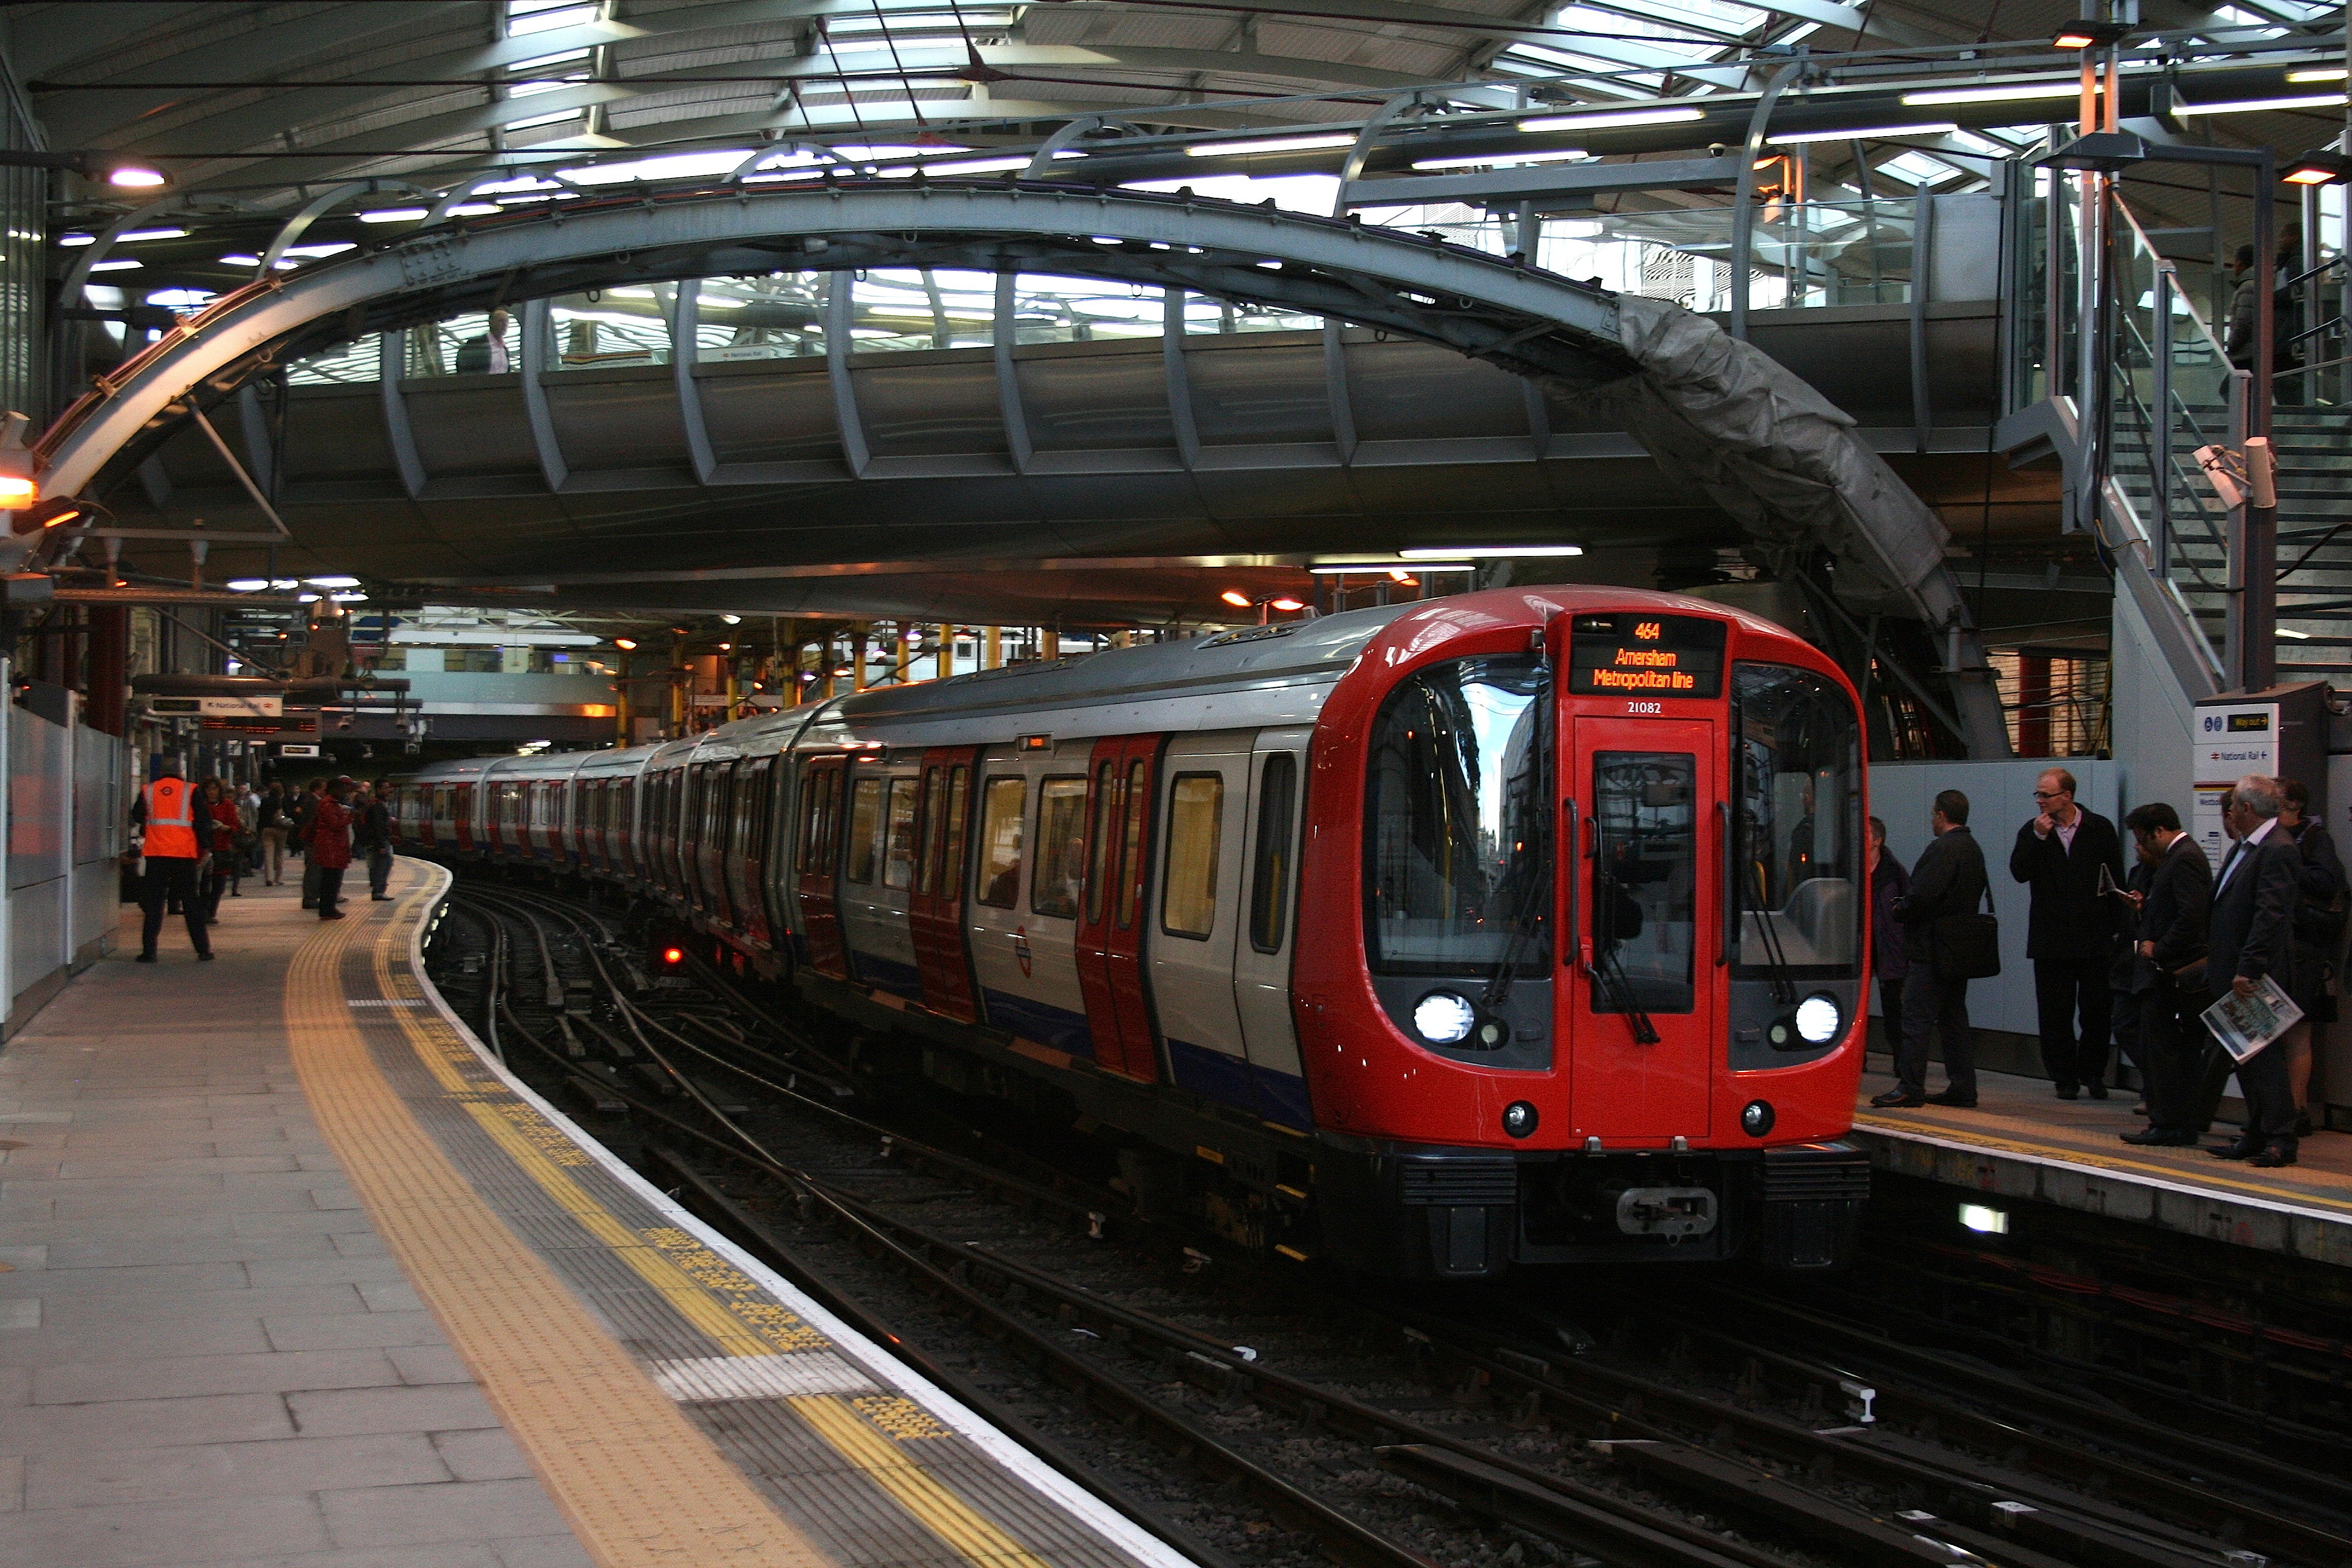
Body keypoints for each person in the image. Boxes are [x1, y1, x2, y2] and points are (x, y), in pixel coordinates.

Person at [2009, 767, 2127, 1099]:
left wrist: (2117, 930)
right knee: (2054, 1013)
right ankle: (2064, 1077)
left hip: (2094, 937)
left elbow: (2115, 879)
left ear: (2067, 796)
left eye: (2046, 795)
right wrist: (2038, 838)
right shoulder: (2032, 831)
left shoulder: (2098, 828)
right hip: (2052, 940)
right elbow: (2019, 872)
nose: (2041, 801)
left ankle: (2093, 1073)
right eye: (2038, 795)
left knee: (2096, 1012)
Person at [2202, 776, 2302, 1166]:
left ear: (2245, 809)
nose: (2230, 814)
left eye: (2234, 808)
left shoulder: (2277, 850)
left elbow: (2270, 915)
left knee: (2265, 1058)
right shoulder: (2246, 847)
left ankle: (2281, 1137)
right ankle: (2258, 1132)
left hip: (2253, 974)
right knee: (2246, 1056)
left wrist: (2250, 968)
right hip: (2231, 969)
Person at [1874, 788, 1987, 1109]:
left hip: (1931, 948)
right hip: (1959, 948)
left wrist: (1901, 910)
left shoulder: (1942, 849)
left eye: (1933, 815)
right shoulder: (1973, 849)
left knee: (1915, 1016)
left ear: (1941, 815)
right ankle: (1963, 1087)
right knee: (1954, 1018)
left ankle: (1911, 1086)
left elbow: (1922, 895)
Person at [2115, 802, 2212, 1147]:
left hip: (2171, 974)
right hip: (2164, 973)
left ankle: (2169, 1123)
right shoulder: (2180, 858)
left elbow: (2191, 916)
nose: (2140, 846)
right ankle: (2171, 1122)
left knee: (2167, 1050)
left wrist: (2160, 949)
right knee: (2163, 1049)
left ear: (2159, 831)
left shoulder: (2184, 858)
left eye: (2142, 838)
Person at [129, 755, 214, 962]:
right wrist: (207, 847)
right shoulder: (191, 790)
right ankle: (203, 950)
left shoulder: (148, 790)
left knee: (154, 903)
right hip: (183, 855)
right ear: (180, 772)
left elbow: (137, 815)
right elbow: (203, 821)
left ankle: (149, 952)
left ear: (160, 772)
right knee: (190, 901)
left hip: (156, 854)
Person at [1867, 815, 1910, 1058]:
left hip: (1889, 945)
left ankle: (1899, 1057)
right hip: (1862, 944)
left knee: (1893, 1004)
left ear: (1878, 841)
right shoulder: (1853, 868)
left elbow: (1908, 907)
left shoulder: (1894, 873)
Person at [305, 778, 356, 921]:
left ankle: (328, 908)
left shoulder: (328, 803)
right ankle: (328, 909)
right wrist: (348, 818)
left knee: (331, 879)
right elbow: (335, 824)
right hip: (331, 847)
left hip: (333, 846)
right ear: (334, 789)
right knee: (331, 880)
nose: (343, 793)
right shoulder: (329, 804)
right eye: (341, 790)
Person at [199, 776, 243, 920]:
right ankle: (204, 911)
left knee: (219, 883)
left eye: (215, 789)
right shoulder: (202, 805)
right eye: (209, 789)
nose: (212, 792)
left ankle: (212, 912)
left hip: (222, 847)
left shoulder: (227, 805)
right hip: (205, 847)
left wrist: (227, 828)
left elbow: (235, 825)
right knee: (204, 882)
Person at [362, 779, 396, 901]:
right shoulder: (377, 805)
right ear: (379, 790)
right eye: (385, 788)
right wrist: (382, 844)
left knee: (382, 864)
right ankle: (378, 891)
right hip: (379, 841)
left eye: (389, 788)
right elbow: (378, 826)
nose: (388, 791)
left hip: (377, 840)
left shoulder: (376, 804)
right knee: (382, 865)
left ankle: (379, 890)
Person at [295, 778, 324, 909]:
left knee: (314, 868)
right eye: (324, 788)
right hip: (313, 841)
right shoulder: (313, 803)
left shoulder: (310, 801)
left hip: (311, 840)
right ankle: (310, 897)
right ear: (318, 789)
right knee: (313, 869)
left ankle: (312, 896)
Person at [454, 307, 512, 374]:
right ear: (491, 323)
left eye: (506, 321)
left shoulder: (504, 350)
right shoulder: (476, 345)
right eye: (501, 321)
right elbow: (463, 367)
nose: (505, 324)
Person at [256, 782, 289, 886]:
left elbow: (260, 816)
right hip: (280, 829)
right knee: (279, 854)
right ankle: (278, 878)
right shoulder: (280, 801)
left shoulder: (264, 801)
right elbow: (280, 815)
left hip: (267, 829)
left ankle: (269, 878)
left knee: (268, 854)